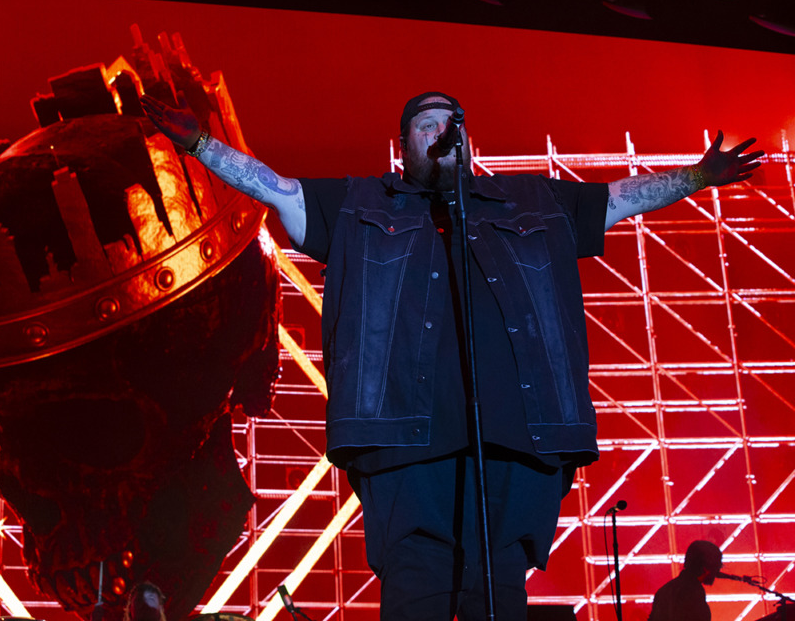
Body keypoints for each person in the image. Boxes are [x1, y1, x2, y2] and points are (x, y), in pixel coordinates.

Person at [140, 90, 762, 620]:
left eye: (452, 126)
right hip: (408, 450)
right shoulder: (361, 206)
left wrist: (696, 177)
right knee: (418, 592)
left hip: (517, 445)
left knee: (500, 595)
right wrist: (200, 146)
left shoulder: (532, 204)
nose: (443, 135)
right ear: (404, 145)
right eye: (427, 126)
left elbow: (621, 198)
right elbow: (276, 189)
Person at [648, 540, 722, 621]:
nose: (717, 572)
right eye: (717, 567)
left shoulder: (663, 591)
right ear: (706, 568)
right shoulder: (694, 593)